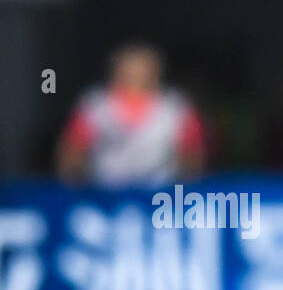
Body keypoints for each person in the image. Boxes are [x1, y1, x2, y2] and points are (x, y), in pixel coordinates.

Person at [57, 43, 204, 187]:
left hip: (160, 191)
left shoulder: (175, 106)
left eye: (143, 67)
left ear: (156, 70)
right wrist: (73, 184)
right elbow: (73, 148)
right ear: (116, 69)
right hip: (105, 191)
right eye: (129, 67)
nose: (136, 73)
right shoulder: (95, 105)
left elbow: (192, 151)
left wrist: (188, 184)